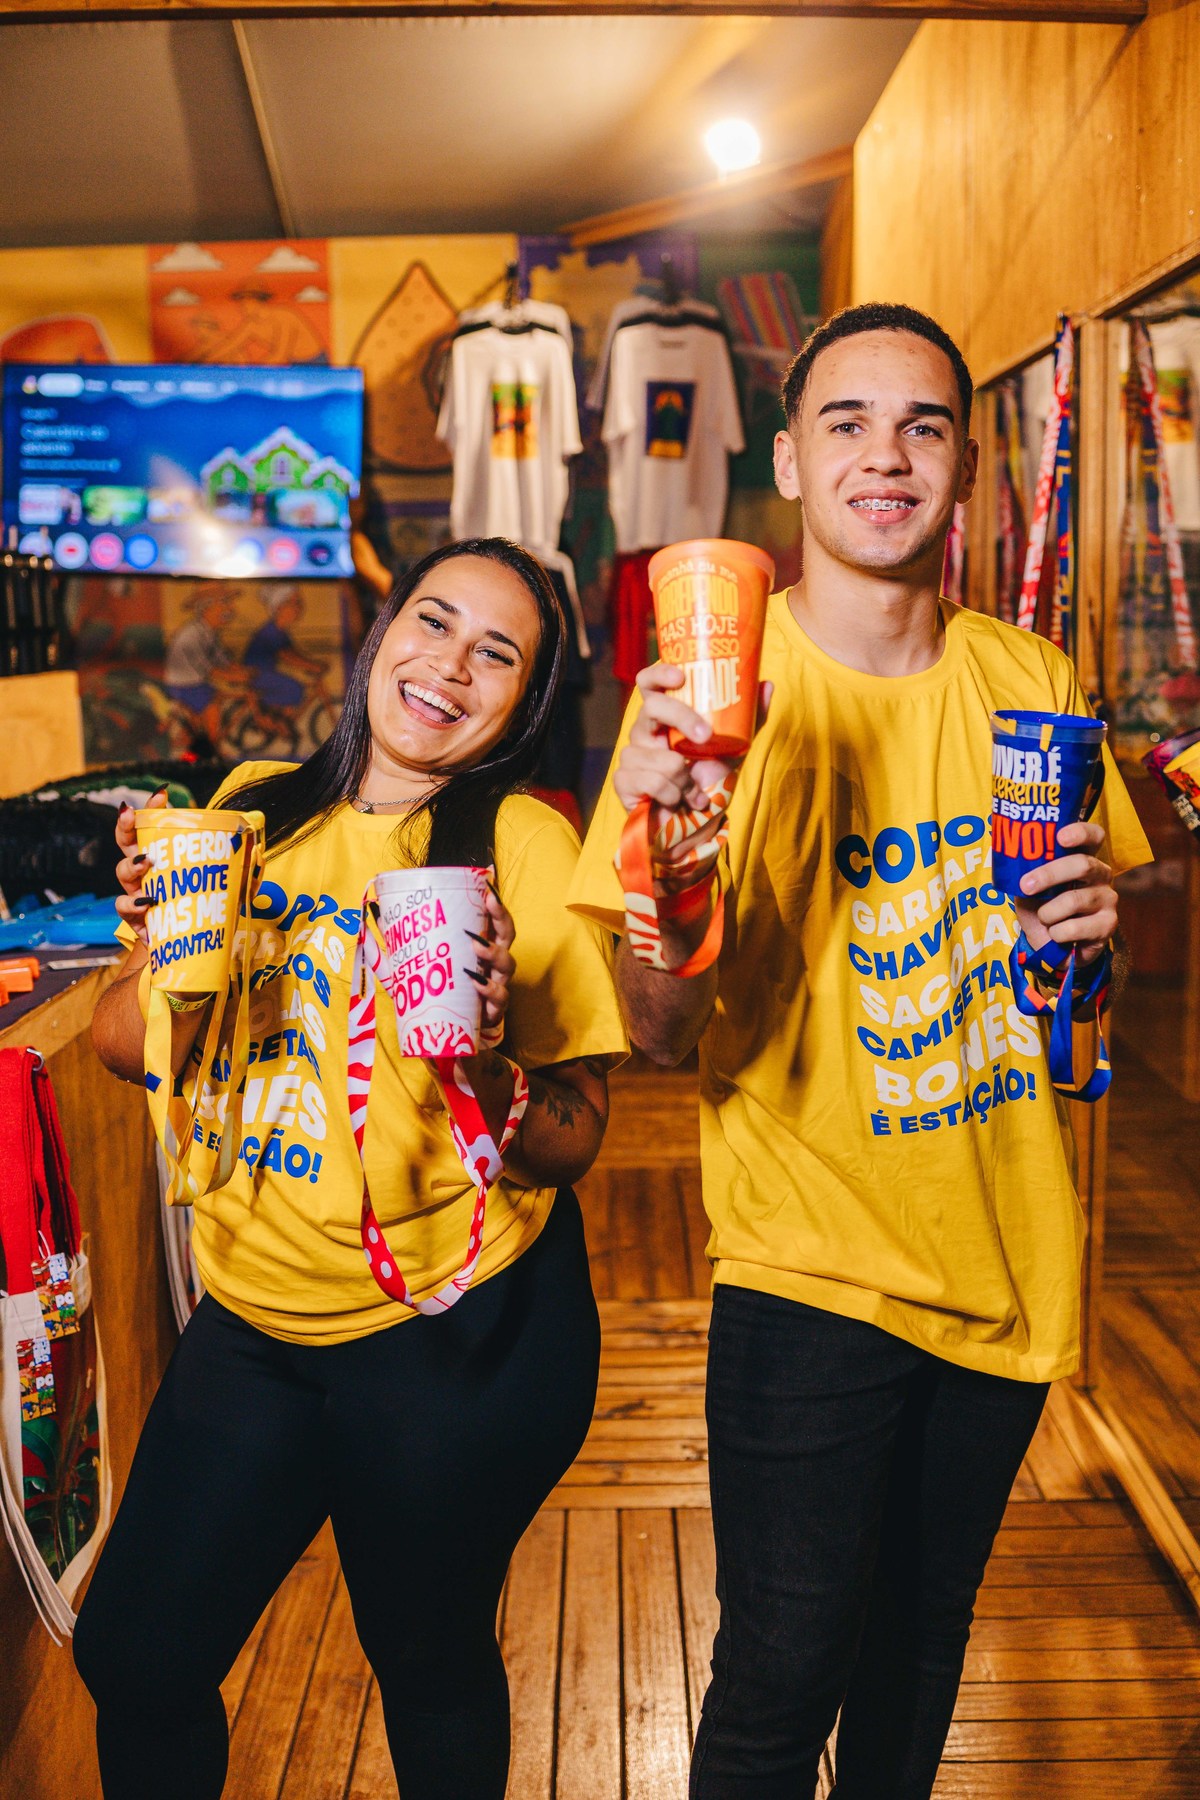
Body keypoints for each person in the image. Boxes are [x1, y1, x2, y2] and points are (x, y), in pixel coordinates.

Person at [567, 303, 1152, 1800]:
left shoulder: (1036, 682)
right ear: (788, 460)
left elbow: (1082, 1009)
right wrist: (671, 865)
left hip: (1007, 1250)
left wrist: (1094, 943)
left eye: (922, 425)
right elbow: (659, 1032)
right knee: (780, 1674)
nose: (885, 456)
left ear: (964, 466)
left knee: (917, 1653)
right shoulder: (704, 703)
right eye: (847, 423)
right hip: (807, 1265)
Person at [78, 537, 627, 1800]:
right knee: (137, 1657)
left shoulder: (525, 845)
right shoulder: (252, 808)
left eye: (498, 652)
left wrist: (482, 1057)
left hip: (455, 1332)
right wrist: (155, 948)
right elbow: (123, 1047)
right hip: (254, 1318)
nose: (451, 665)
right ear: (383, 635)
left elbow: (575, 1138)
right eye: (433, 621)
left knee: (425, 1664)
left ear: (524, 704)